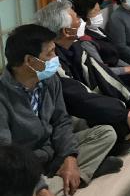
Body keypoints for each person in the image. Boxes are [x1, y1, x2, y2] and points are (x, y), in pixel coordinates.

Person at [0, 24, 121, 196]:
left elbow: (61, 121)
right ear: (30, 61)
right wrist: (39, 186)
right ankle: (75, 177)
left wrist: (70, 158)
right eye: (50, 53)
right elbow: (6, 156)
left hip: (53, 153)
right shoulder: (3, 96)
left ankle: (68, 176)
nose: (55, 58)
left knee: (106, 133)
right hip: (25, 167)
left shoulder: (49, 79)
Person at [35, 1, 130, 142]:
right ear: (66, 31)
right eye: (77, 18)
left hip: (90, 99)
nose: (81, 21)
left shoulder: (75, 46)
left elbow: (102, 73)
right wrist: (124, 113)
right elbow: (81, 97)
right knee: (116, 126)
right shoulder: (51, 61)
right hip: (75, 113)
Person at [72, 0, 130, 101]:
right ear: (84, 16)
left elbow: (114, 57)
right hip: (109, 77)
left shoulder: (98, 30)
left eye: (99, 10)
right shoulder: (86, 41)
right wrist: (126, 70)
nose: (99, 14)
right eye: (95, 11)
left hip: (118, 68)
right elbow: (102, 70)